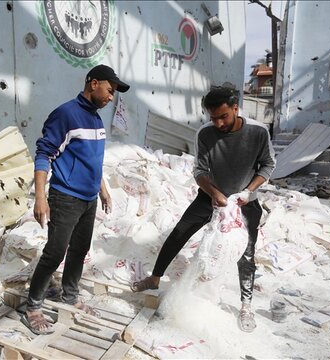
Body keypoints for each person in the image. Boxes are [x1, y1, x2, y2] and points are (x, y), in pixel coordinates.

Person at [131, 86, 276, 333]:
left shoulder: (258, 132)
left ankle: (245, 306)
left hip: (245, 201)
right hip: (210, 196)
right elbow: (199, 171)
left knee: (247, 253)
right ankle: (154, 278)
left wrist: (248, 191)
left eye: (224, 116)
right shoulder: (205, 134)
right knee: (179, 233)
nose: (219, 123)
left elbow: (268, 165)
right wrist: (215, 193)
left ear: (235, 108)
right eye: (213, 118)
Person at [21, 64, 130, 335]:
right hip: (66, 197)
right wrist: (40, 198)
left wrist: (102, 189)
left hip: (89, 199)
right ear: (93, 83)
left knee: (79, 250)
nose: (110, 96)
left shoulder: (96, 119)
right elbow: (44, 154)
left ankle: (69, 296)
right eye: (109, 89)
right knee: (55, 252)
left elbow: (91, 160)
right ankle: (33, 306)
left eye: (113, 92)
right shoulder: (66, 114)